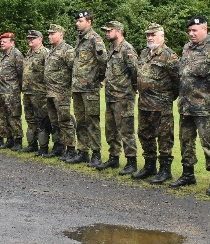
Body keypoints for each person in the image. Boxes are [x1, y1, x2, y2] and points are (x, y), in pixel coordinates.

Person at [171, 16, 210, 192]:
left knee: (208, 142)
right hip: (186, 105)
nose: (191, 33)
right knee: (186, 141)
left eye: (194, 30)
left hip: (206, 106)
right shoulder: (187, 47)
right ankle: (188, 174)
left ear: (204, 29)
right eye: (189, 30)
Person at [133, 23, 180, 184]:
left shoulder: (169, 55)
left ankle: (165, 170)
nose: (150, 37)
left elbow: (177, 81)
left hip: (161, 104)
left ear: (162, 36)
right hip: (144, 102)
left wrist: (167, 97)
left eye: (153, 34)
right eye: (148, 35)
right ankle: (149, 165)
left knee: (164, 137)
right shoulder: (145, 52)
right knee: (145, 134)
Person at [98, 20, 139, 174]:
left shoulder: (127, 50)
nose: (107, 33)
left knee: (126, 130)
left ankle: (131, 161)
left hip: (123, 97)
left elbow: (135, 72)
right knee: (111, 130)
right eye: (106, 30)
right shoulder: (112, 49)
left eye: (110, 30)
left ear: (119, 31)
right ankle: (113, 158)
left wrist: (133, 89)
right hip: (110, 96)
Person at [69, 10, 107, 167]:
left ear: (89, 22)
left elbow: (103, 61)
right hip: (78, 87)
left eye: (81, 21)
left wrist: (97, 79)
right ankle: (83, 152)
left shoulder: (94, 39)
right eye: (77, 21)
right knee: (81, 120)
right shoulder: (80, 39)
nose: (78, 23)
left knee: (92, 120)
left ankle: (96, 154)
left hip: (89, 87)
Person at [41, 24, 77, 160]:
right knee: (54, 121)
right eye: (49, 34)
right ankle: (58, 146)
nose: (49, 36)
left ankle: (71, 149)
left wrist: (69, 88)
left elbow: (74, 70)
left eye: (52, 34)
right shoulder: (51, 50)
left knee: (65, 121)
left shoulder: (67, 50)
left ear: (61, 35)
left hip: (62, 92)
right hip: (50, 91)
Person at [20, 30, 51, 154]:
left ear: (40, 39)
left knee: (41, 120)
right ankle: (32, 145)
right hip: (27, 92)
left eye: (33, 38)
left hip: (39, 93)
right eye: (29, 38)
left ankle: (43, 147)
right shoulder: (28, 53)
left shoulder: (45, 53)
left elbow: (49, 73)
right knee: (30, 119)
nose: (30, 40)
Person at [0, 32, 25, 150]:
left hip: (11, 91)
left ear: (12, 43)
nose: (2, 43)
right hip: (1, 91)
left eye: (4, 41)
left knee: (13, 116)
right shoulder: (3, 55)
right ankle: (9, 138)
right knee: (3, 116)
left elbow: (21, 73)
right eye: (1, 41)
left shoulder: (16, 54)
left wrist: (17, 88)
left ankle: (17, 140)